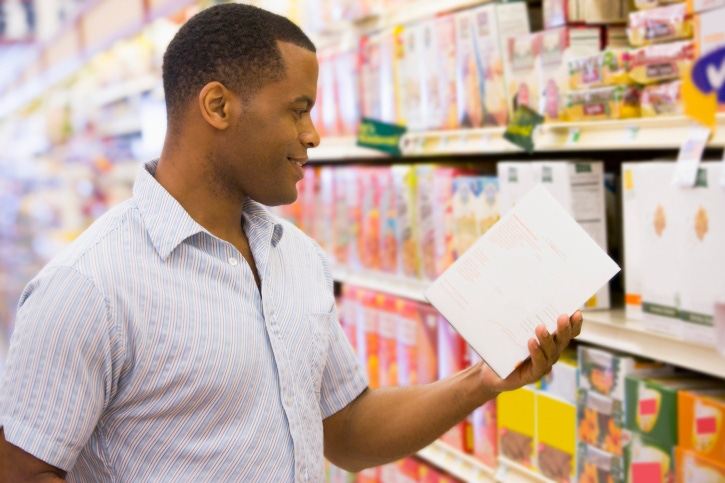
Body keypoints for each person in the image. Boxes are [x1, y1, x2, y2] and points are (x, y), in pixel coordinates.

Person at [0, 4, 583, 482]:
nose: (315, 134)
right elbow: (23, 470)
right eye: (297, 110)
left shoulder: (296, 258)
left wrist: (480, 381)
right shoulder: (87, 287)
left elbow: (348, 431)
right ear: (219, 106)